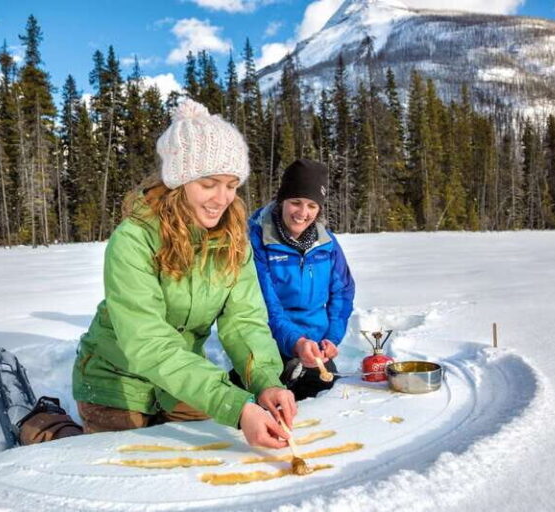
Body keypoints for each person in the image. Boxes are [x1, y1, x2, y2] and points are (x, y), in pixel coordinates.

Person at [70, 99, 295, 449]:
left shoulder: (236, 240)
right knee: (128, 467)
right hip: (116, 378)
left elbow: (244, 321)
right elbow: (147, 342)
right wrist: (235, 406)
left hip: (186, 377)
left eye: (232, 185)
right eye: (209, 183)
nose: (222, 198)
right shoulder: (133, 239)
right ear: (179, 181)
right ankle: (42, 425)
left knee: (203, 460)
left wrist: (266, 381)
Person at [246, 158, 355, 401]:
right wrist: (296, 342)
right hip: (268, 344)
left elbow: (343, 292)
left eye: (312, 206)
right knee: (269, 403)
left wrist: (331, 338)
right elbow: (265, 305)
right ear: (281, 200)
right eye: (295, 202)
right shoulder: (257, 241)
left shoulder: (327, 244)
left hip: (314, 347)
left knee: (327, 400)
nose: (302, 213)